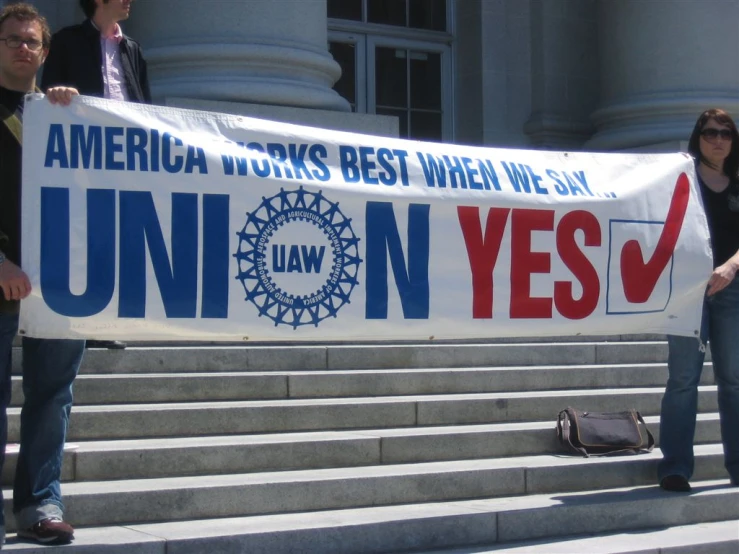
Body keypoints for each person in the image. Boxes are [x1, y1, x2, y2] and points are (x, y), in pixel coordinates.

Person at [0, 2, 84, 546]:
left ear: (45, 51)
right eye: (12, 39)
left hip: (55, 280)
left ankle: (38, 504)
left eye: (32, 41)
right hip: (2, 273)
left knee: (53, 394)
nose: (23, 48)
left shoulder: (62, 113)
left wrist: (81, 113)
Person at [41, 0, 151, 349]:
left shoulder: (133, 49)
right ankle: (81, 319)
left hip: (125, 157)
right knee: (83, 234)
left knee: (116, 236)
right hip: (83, 155)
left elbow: (145, 104)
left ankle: (108, 323)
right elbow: (48, 96)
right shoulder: (67, 40)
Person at [658, 108, 739, 492]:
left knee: (734, 381)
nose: (718, 139)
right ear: (699, 135)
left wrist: (731, 266)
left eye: (726, 132)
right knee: (683, 378)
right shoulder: (681, 177)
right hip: (687, 290)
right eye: (710, 132)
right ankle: (675, 466)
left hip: (733, 289)